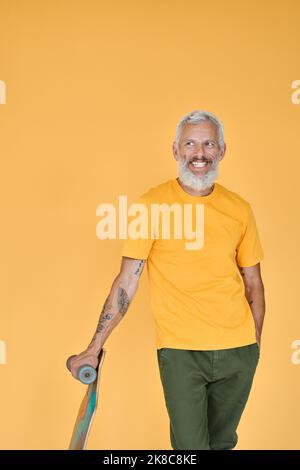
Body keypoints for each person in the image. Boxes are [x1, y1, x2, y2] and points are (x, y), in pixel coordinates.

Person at [68, 109, 265, 450]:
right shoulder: (152, 205)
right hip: (181, 351)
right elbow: (126, 282)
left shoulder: (239, 209)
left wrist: (254, 347)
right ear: (176, 151)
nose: (199, 153)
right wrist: (93, 347)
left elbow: (254, 284)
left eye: (208, 144)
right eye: (190, 143)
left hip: (238, 350)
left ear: (221, 151)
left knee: (222, 444)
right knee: (190, 448)